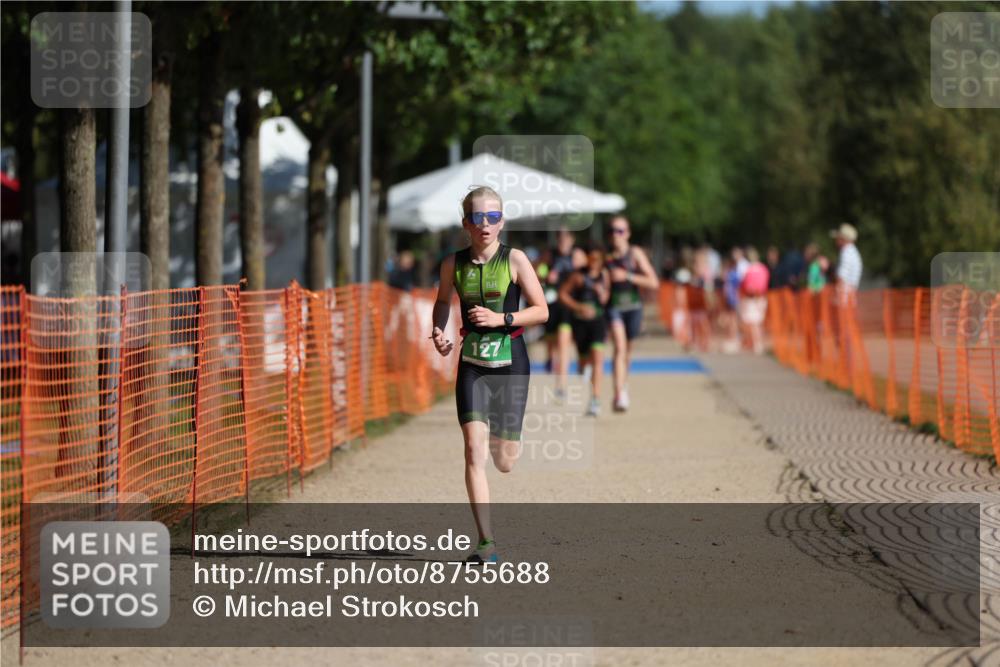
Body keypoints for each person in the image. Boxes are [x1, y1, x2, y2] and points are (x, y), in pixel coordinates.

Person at [431, 186, 548, 564]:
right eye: (478, 217)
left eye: (493, 217)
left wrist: (502, 318)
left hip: (511, 361)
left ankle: (506, 434)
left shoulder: (515, 259)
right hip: (472, 364)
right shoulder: (452, 264)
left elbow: (542, 310)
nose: (485, 224)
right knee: (472, 452)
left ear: (502, 221)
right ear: (465, 223)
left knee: (505, 461)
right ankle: (486, 542)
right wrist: (439, 331)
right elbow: (441, 303)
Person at [604, 215, 659, 411]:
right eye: (612, 231)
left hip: (633, 307)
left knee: (627, 352)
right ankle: (618, 394)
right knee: (619, 348)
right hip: (614, 308)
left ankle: (623, 385)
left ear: (627, 233)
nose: (615, 235)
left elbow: (653, 282)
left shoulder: (635, 254)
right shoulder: (606, 256)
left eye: (620, 231)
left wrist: (627, 275)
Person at [559, 243, 610, 417]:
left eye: (598, 258)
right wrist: (578, 306)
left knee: (598, 359)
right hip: (580, 323)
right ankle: (583, 369)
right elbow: (563, 294)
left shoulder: (604, 275)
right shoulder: (578, 276)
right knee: (583, 364)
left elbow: (606, 298)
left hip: (598, 322)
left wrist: (603, 294)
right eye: (591, 258)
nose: (594, 262)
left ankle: (595, 399)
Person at [543, 228, 586, 399]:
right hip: (552, 304)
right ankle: (549, 358)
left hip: (569, 305)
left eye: (566, 236)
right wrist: (546, 276)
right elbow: (535, 270)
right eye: (560, 236)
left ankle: (561, 385)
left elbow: (589, 275)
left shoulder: (578, 255)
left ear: (572, 238)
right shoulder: (549, 254)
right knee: (551, 342)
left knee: (563, 344)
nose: (563, 239)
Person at [739, 247, 770, 355]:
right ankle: (757, 343)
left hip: (751, 298)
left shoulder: (749, 270)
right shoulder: (763, 268)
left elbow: (744, 285)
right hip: (761, 297)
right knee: (758, 323)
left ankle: (756, 344)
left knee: (753, 323)